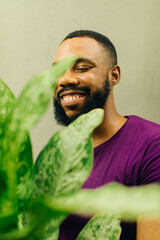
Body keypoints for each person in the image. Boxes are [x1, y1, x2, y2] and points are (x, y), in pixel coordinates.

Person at [52, 30, 160, 240]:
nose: (64, 79)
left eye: (82, 68)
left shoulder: (152, 146)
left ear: (114, 75)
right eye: (57, 72)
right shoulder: (59, 153)